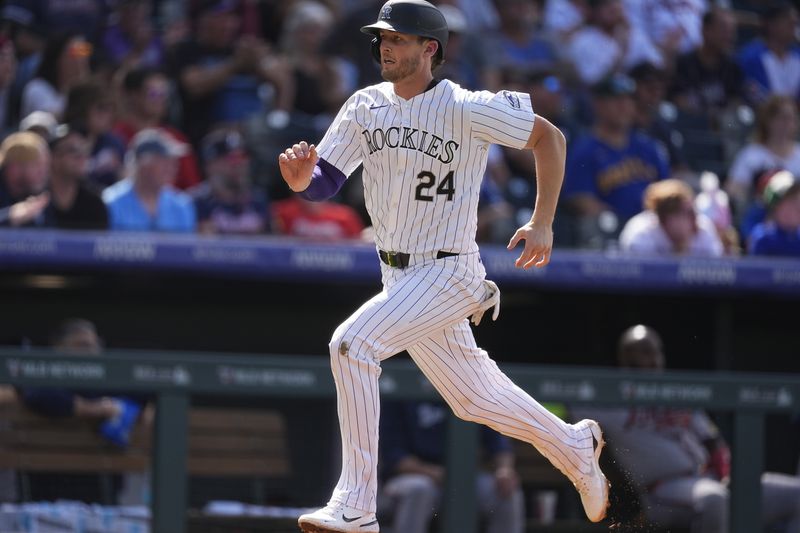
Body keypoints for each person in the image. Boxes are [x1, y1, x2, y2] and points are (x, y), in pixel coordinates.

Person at [277, 2, 610, 531]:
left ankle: (357, 503)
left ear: (430, 48)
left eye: (398, 39)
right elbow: (326, 181)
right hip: (398, 274)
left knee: (352, 344)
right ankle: (574, 444)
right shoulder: (364, 106)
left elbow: (551, 137)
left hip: (450, 270)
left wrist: (542, 221)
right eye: (382, 37)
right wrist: (300, 180)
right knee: (475, 399)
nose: (385, 46)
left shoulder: (465, 105)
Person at [572, 325, 800, 533]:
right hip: (663, 490)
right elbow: (565, 399)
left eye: (655, 352)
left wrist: (727, 473)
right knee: (714, 500)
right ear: (625, 358)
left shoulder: (677, 393)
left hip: (713, 479)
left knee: (795, 495)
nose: (652, 359)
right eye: (643, 352)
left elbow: (712, 440)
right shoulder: (610, 400)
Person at [379, 399, 525, 533]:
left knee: (505, 493)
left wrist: (504, 470)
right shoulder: (406, 390)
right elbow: (394, 455)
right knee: (419, 489)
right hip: (411, 477)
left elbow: (499, 444)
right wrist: (431, 471)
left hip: (464, 478)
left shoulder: (469, 392)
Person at [562, 73, 669, 242]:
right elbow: (581, 199)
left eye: (628, 100)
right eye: (617, 100)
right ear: (598, 105)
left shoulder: (648, 147)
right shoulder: (584, 150)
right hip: (611, 232)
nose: (624, 107)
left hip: (652, 230)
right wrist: (625, 225)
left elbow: (666, 190)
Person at [103, 128, 197, 232]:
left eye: (173, 162)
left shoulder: (181, 205)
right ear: (143, 164)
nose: (171, 168)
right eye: (163, 161)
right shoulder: (111, 202)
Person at [191, 128, 270, 235]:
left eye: (243, 157)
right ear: (211, 165)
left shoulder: (258, 201)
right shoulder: (195, 203)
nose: (241, 164)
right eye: (233, 158)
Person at [618, 179, 723, 256]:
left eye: (692, 211)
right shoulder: (640, 233)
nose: (693, 218)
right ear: (664, 217)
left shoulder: (703, 228)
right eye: (685, 213)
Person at [45, 124, 109, 230]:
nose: (82, 157)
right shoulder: (33, 201)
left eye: (84, 150)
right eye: (72, 150)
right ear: (53, 158)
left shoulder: (94, 204)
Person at [0, 131, 51, 227]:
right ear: (15, 167)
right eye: (37, 165)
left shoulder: (40, 196)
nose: (43, 172)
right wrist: (10, 217)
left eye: (45, 165)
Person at [748, 170, 800, 257]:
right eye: (786, 201)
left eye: (795, 200)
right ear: (774, 208)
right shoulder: (763, 237)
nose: (794, 207)